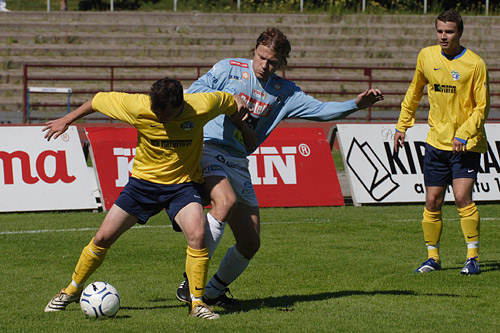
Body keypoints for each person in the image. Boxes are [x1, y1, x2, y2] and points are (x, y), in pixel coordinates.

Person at [175, 27, 384, 306]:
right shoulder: (228, 69)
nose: (264, 65)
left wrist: (355, 105)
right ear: (254, 51)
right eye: (261, 57)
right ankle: (191, 281)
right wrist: (227, 101)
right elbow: (194, 93)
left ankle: (212, 292)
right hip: (208, 149)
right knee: (223, 203)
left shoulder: (285, 92)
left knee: (250, 243)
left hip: (238, 160)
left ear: (282, 62)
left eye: (272, 61)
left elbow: (322, 111)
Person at [43, 77, 247, 319]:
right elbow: (97, 101)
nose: (159, 117)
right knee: (103, 237)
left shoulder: (201, 105)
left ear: (180, 105)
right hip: (142, 186)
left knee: (198, 234)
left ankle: (197, 304)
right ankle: (71, 290)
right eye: (156, 112)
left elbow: (231, 101)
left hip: (182, 186)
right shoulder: (139, 105)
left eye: (165, 114)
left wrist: (239, 106)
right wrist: (66, 120)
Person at [394, 10, 490, 275]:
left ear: (459, 32)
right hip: (436, 143)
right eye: (439, 31)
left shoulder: (475, 64)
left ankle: (472, 258)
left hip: (466, 144)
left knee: (462, 197)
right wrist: (403, 124)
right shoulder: (426, 56)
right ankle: (432, 258)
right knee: (433, 202)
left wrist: (465, 132)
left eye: (449, 32)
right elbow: (414, 92)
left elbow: (482, 107)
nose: (443, 36)